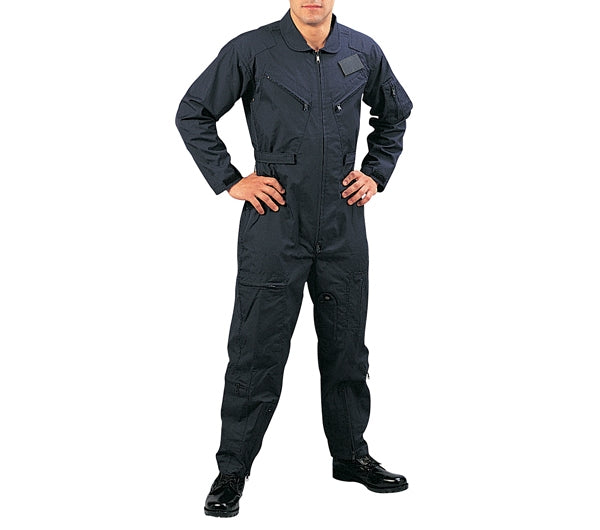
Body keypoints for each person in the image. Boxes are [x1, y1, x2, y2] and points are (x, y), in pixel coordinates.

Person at [175, 0, 413, 518]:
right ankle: (233, 469)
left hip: (343, 219)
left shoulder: (362, 50)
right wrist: (231, 180)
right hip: (275, 218)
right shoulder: (252, 50)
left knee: (347, 347)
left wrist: (376, 171)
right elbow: (192, 112)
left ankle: (351, 455)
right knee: (256, 349)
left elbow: (395, 112)